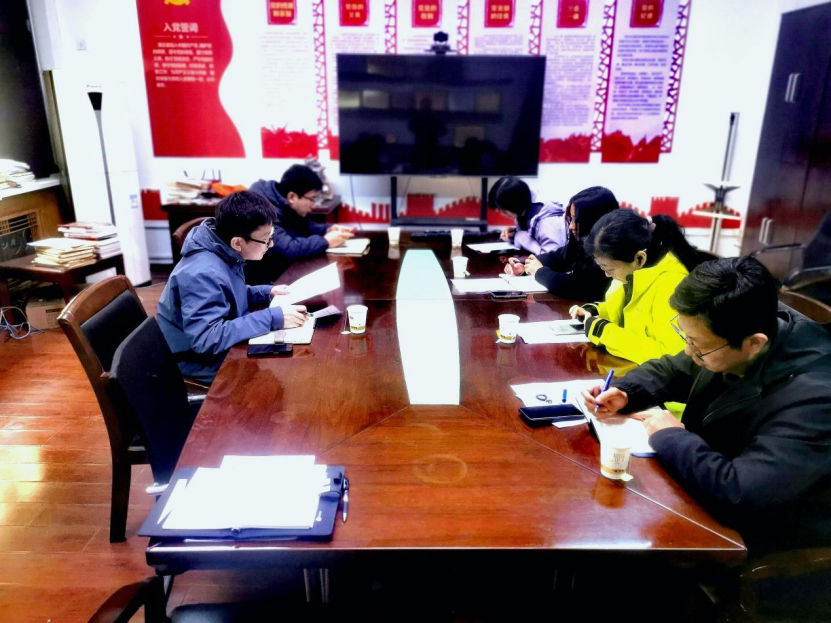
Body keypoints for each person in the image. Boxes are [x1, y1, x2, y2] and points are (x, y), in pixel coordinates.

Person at [582, 257, 831, 554]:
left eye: (698, 346)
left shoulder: (816, 400)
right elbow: (673, 369)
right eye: (686, 338)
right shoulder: (733, 327)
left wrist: (671, 436)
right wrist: (626, 391)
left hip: (757, 537)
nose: (690, 352)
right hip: (701, 483)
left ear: (754, 343)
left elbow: (739, 494)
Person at [157, 191, 308, 384]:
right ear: (237, 242)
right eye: (266, 239)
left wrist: (265, 292)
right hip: (199, 361)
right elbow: (207, 339)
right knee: (286, 374)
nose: (271, 244)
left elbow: (225, 293)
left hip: (216, 348)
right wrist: (272, 318)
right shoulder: (202, 273)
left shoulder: (221, 248)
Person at [570, 209, 705, 364]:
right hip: (628, 367)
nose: (607, 274)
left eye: (609, 268)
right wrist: (598, 311)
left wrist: (604, 332)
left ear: (640, 258)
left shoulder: (672, 285)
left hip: (652, 376)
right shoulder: (634, 271)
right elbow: (629, 313)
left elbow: (670, 357)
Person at [247, 164, 355, 282]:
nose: (314, 205)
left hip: (282, 270)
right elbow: (289, 248)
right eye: (312, 199)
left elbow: (306, 226)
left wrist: (328, 229)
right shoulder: (263, 212)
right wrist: (326, 241)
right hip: (262, 280)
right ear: (292, 196)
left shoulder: (284, 201)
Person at [515, 186, 619, 301]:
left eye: (576, 220)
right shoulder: (583, 239)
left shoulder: (610, 249)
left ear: (592, 220)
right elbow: (562, 256)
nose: (571, 226)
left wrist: (539, 272)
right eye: (571, 219)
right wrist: (526, 264)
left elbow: (579, 287)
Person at [487, 177, 566, 255]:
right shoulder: (525, 207)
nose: (502, 214)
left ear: (514, 204)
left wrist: (521, 237)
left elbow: (552, 257)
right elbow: (536, 234)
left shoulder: (547, 221)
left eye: (503, 210)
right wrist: (514, 234)